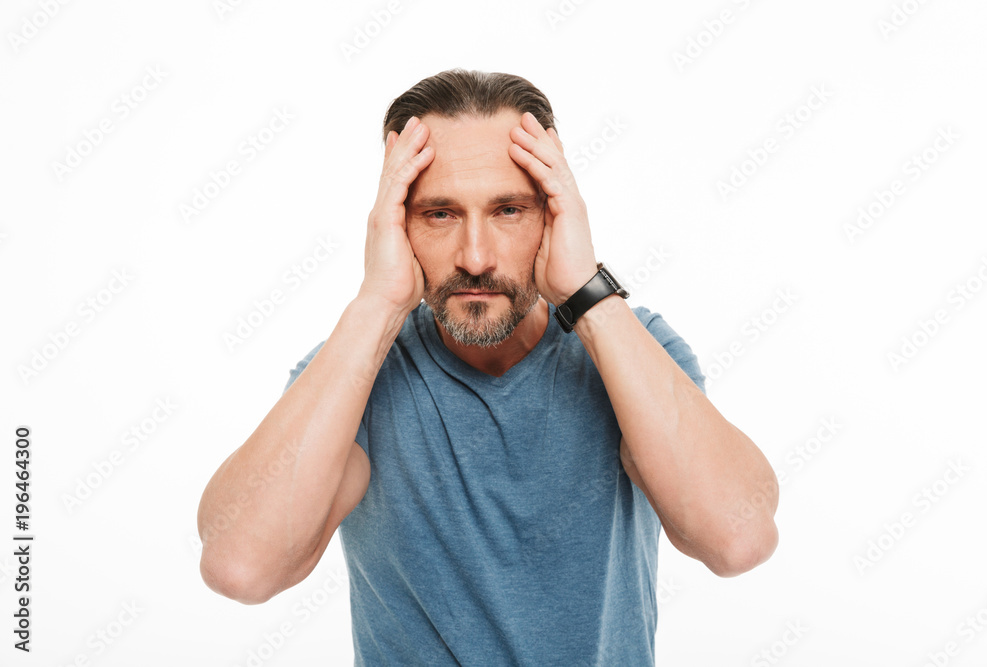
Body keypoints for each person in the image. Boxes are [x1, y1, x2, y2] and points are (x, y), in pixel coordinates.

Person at [197, 68, 779, 665]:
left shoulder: (634, 349)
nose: (476, 258)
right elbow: (241, 567)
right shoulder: (352, 371)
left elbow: (737, 540)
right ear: (396, 226)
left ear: (554, 216)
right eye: (439, 214)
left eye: (509, 210)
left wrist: (587, 294)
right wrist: (377, 304)